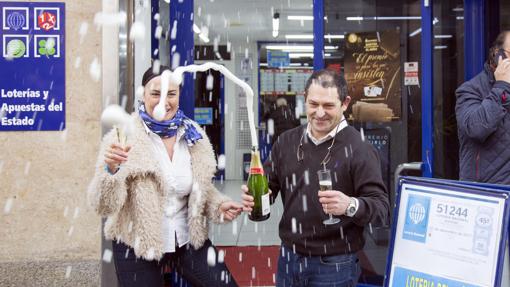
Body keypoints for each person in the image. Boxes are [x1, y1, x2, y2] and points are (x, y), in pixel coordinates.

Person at [88, 65, 242, 287]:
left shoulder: (192, 134)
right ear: (143, 94)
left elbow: (199, 188)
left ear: (179, 94)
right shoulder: (123, 136)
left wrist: (218, 205)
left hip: (187, 238)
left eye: (171, 94)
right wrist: (110, 171)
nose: (164, 102)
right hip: (137, 243)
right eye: (155, 94)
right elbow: (103, 206)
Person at [241, 69, 389, 287]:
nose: (320, 113)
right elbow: (269, 186)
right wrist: (255, 196)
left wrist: (350, 205)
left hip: (335, 264)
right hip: (289, 257)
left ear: (345, 103)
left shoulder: (360, 149)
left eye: (328, 106)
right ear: (304, 99)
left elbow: (381, 208)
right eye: (313, 104)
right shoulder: (286, 141)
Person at [456, 30, 510, 184]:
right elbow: (477, 129)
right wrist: (501, 87)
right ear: (496, 54)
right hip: (489, 197)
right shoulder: (470, 90)